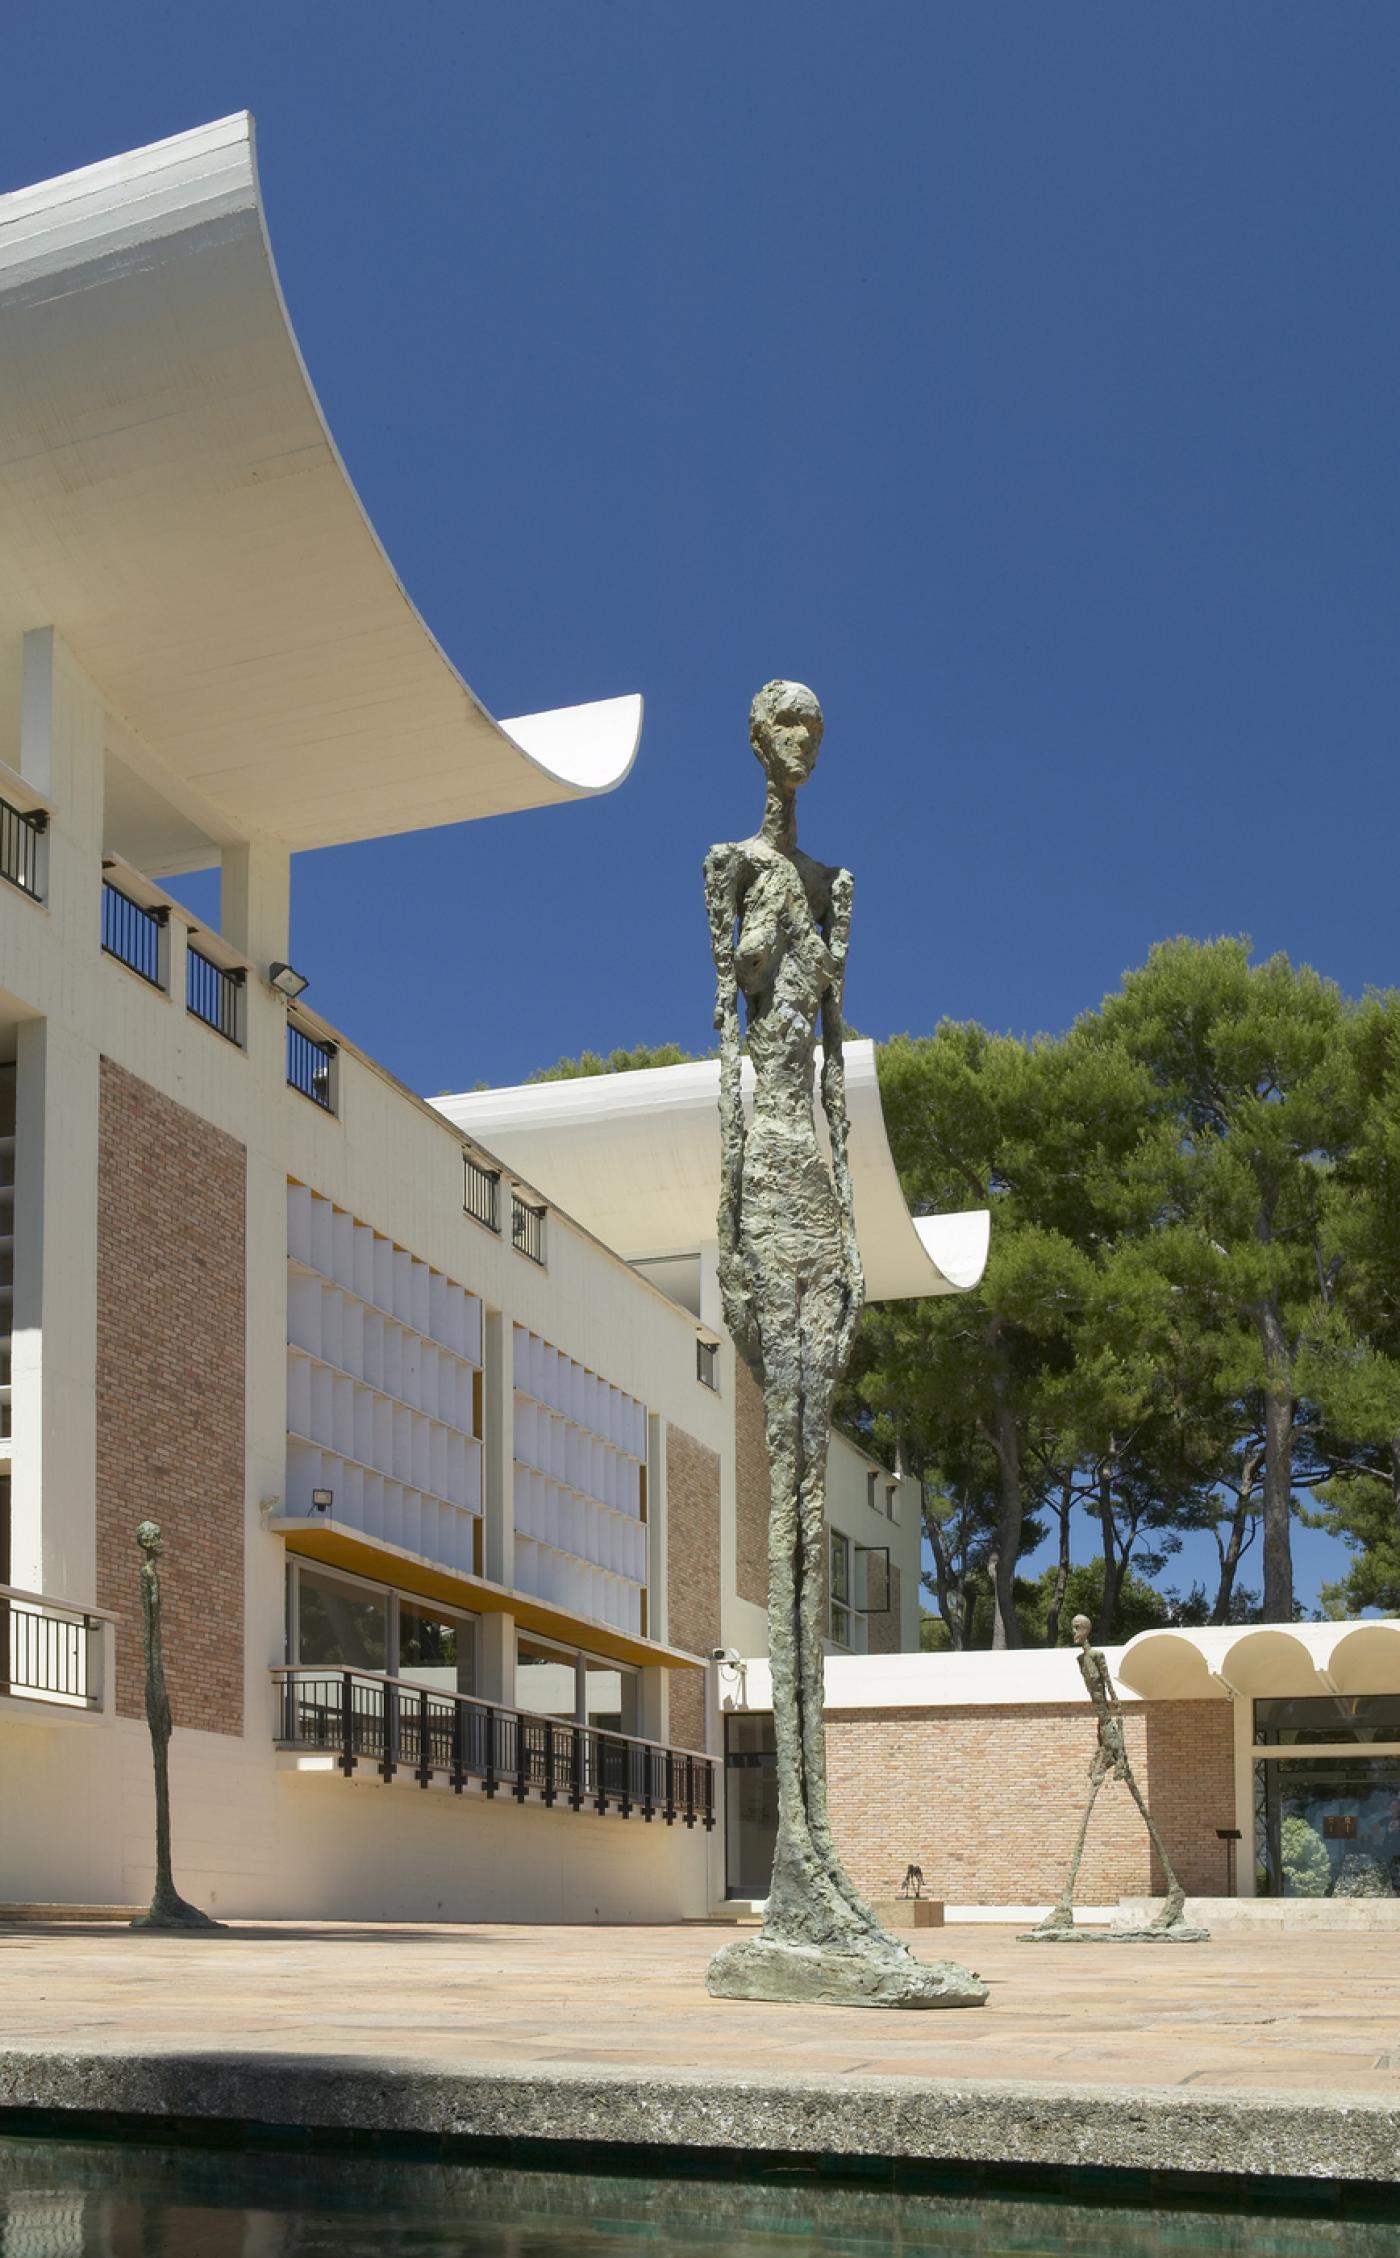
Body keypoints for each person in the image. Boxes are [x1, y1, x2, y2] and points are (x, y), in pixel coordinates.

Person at [1036, 1614, 1187, 1934]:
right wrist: (1100, 1741)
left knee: (1140, 1806)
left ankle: (1174, 1893)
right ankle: (1065, 1905)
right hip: (1102, 1734)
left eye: (1078, 1627)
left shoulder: (1098, 1657)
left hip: (1112, 1735)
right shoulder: (1080, 1660)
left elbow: (1114, 1703)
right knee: (1090, 1808)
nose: (1074, 1632)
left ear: (1088, 1629)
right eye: (1073, 1627)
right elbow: (1098, 1707)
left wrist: (1121, 1751)